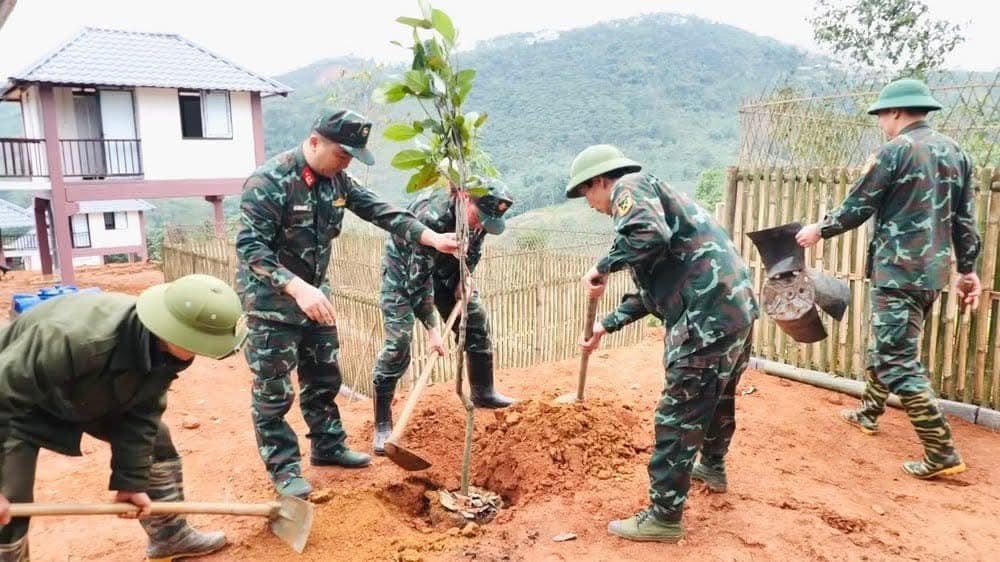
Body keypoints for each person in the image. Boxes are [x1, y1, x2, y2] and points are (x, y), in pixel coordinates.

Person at [236, 109, 460, 498]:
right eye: (343, 154)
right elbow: (250, 248)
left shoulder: (338, 180)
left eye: (352, 157)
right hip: (272, 301)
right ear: (314, 141)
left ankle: (328, 446)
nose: (347, 163)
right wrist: (296, 287)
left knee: (324, 375)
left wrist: (430, 238)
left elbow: (380, 211)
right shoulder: (268, 182)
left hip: (317, 298)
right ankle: (285, 469)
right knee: (274, 390)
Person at [570, 144, 758, 543]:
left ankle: (664, 515)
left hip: (706, 319)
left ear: (602, 181)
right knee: (717, 395)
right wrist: (606, 324)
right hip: (732, 309)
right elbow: (656, 292)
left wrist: (602, 265)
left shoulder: (630, 187)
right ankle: (712, 466)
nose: (589, 203)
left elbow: (648, 236)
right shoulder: (656, 205)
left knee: (678, 413)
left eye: (586, 192)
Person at [795, 77, 981, 480]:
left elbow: (857, 206)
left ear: (896, 112)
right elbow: (966, 222)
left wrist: (818, 230)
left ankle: (942, 451)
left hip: (897, 272)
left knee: (897, 357)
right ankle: (869, 412)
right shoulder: (957, 153)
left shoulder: (894, 152)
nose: (881, 122)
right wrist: (968, 270)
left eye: (882, 115)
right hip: (932, 274)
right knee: (890, 342)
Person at [0, 274, 247, 562]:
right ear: (176, 331)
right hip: (19, 405)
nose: (201, 352)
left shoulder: (165, 348)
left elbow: (143, 413)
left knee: (156, 439)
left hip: (83, 393)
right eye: (199, 343)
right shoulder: (76, 338)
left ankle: (170, 536)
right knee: (9, 501)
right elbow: (3, 394)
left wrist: (132, 482)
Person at [371, 180, 517, 454]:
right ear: (464, 199)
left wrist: (465, 278)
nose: (480, 226)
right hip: (403, 275)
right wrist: (432, 329)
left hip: (446, 269)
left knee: (475, 318)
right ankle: (382, 425)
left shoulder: (478, 219)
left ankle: (483, 392)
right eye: (478, 218)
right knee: (398, 343)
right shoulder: (431, 216)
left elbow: (472, 248)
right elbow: (418, 280)